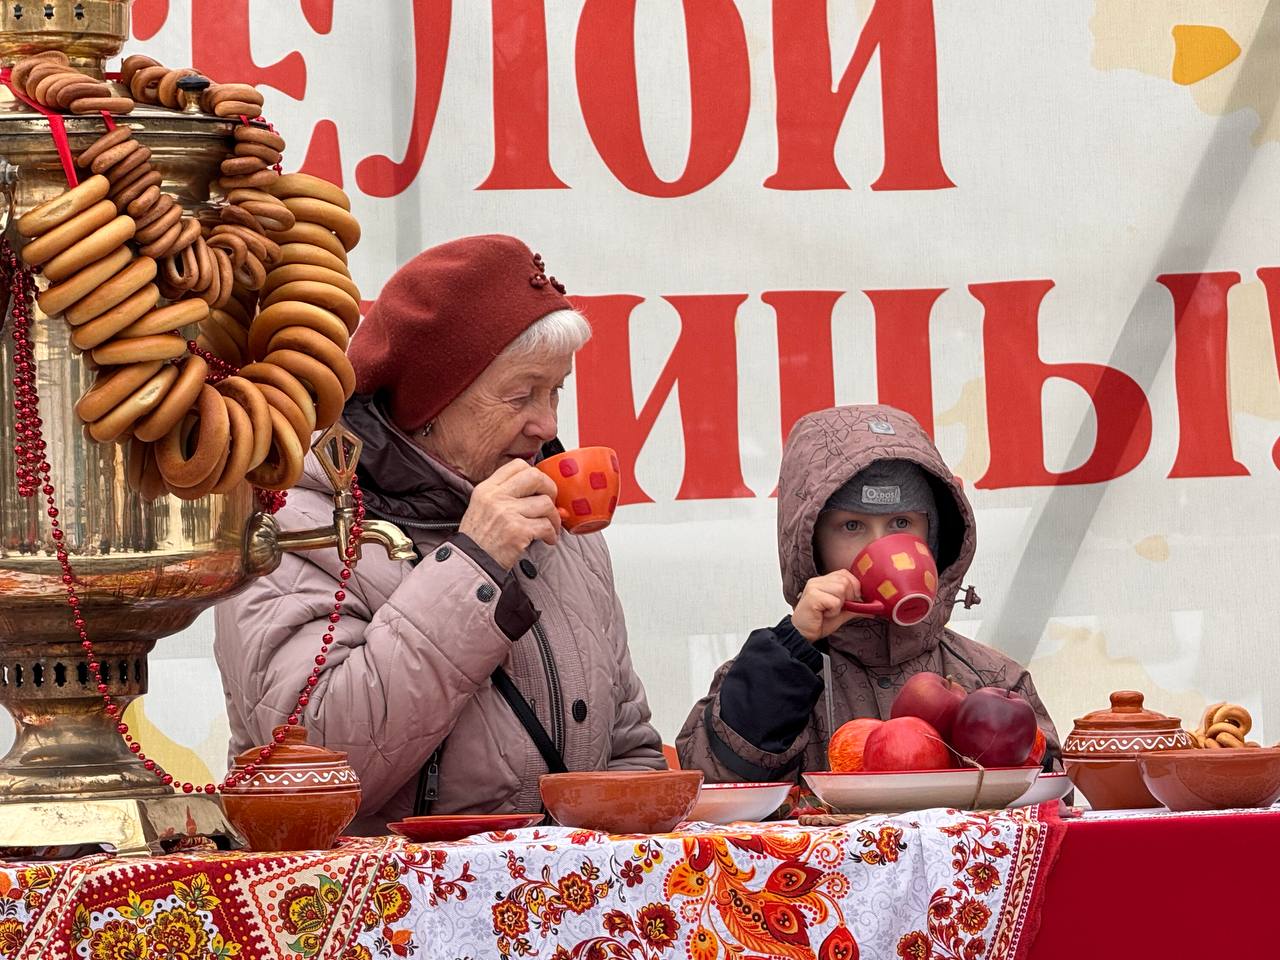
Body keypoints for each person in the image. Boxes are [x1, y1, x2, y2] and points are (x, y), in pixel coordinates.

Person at [215, 235, 663, 832]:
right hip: (379, 913)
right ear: (430, 404)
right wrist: (474, 563)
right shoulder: (296, 523)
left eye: (556, 390)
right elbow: (319, 767)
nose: (548, 424)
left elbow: (629, 749)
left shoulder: (564, 534)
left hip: (564, 909)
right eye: (521, 394)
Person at [677, 404, 1060, 788]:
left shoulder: (993, 679)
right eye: (852, 526)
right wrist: (792, 647)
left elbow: (1049, 807)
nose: (882, 547)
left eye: (901, 523)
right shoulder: (769, 671)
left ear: (935, 539)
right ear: (809, 543)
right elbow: (713, 781)